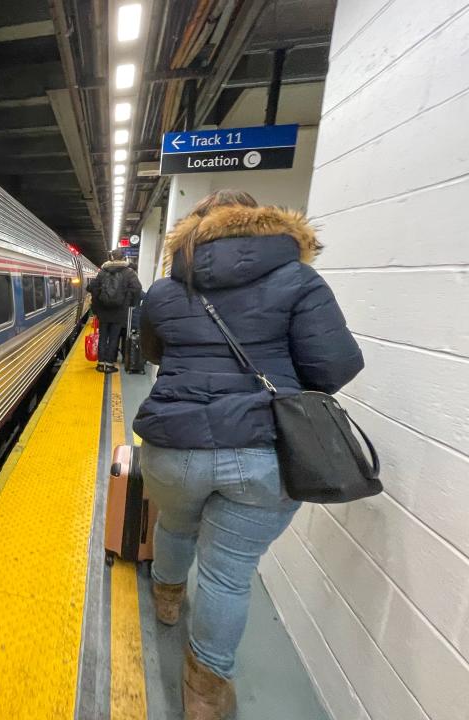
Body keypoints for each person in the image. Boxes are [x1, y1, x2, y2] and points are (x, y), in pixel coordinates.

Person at [133, 190, 363, 720]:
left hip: (174, 443)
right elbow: (332, 368)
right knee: (228, 574)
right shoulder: (300, 280)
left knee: (174, 524)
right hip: (260, 449)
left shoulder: (166, 291)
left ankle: (167, 602)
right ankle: (205, 694)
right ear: (266, 222)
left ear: (191, 231)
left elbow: (152, 353)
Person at [86, 249, 142, 373]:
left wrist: (97, 305)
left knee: (103, 336)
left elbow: (93, 287)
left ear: (112, 257)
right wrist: (131, 303)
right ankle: (109, 364)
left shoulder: (102, 272)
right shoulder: (129, 272)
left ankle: (100, 364)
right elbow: (137, 288)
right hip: (120, 310)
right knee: (114, 337)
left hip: (103, 310)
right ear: (123, 258)